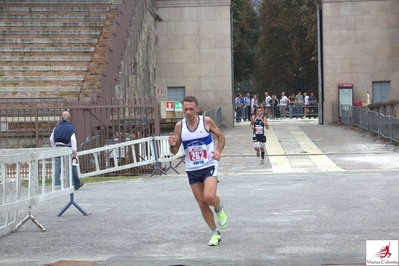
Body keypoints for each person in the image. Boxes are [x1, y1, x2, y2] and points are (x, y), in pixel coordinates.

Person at [168, 96, 227, 246]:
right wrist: (172, 145)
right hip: (192, 168)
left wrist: (218, 151)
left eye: (191, 109)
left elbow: (221, 136)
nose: (188, 112)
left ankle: (218, 207)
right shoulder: (179, 126)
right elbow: (174, 151)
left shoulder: (206, 121)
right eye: (185, 109)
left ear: (197, 108)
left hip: (209, 164)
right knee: (202, 203)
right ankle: (215, 232)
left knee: (209, 197)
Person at [50, 111, 84, 190]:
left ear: (61, 118)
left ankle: (56, 184)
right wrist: (74, 150)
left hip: (58, 147)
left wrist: (54, 147)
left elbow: (51, 139)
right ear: (69, 118)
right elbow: (73, 140)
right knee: (72, 166)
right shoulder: (70, 128)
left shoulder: (56, 127)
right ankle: (76, 183)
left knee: (57, 166)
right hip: (67, 148)